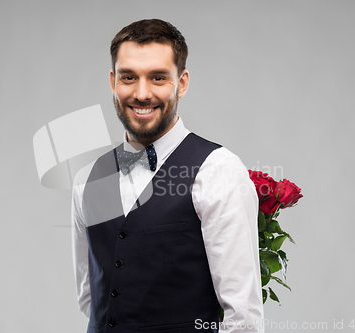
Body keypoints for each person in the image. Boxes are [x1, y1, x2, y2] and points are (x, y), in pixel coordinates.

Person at [72, 19, 264, 333]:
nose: (142, 93)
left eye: (158, 77)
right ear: (112, 82)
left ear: (182, 83)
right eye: (129, 77)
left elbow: (243, 318)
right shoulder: (85, 179)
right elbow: (90, 299)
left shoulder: (218, 170)